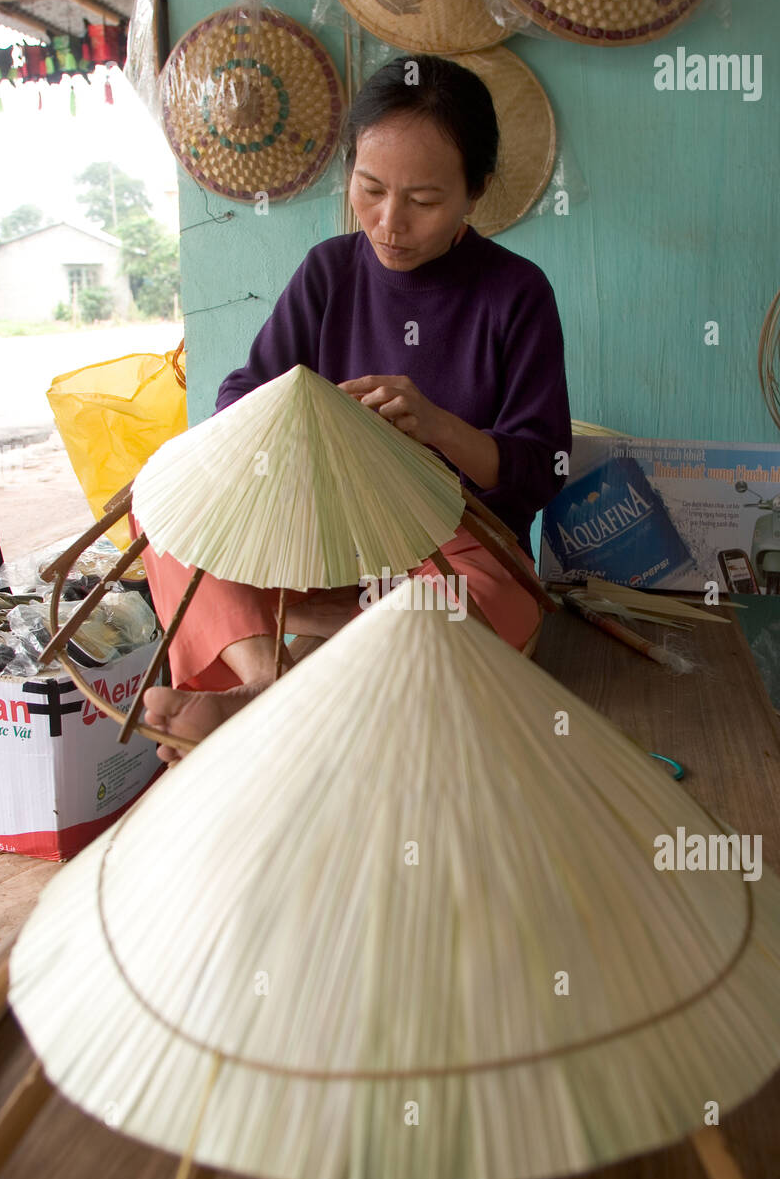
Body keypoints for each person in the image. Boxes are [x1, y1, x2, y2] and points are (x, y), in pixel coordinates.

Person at [142, 53, 571, 762]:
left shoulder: (516, 294)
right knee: (166, 522)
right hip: (317, 540)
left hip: (449, 548)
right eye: (370, 190)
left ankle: (260, 702)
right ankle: (274, 681)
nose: (389, 223)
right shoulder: (329, 271)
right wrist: (306, 417)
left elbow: (541, 468)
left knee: (498, 595)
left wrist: (437, 428)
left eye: (425, 201)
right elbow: (238, 399)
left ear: (476, 192)